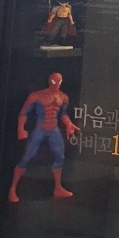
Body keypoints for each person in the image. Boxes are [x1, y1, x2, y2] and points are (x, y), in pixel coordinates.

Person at [9, 72, 80, 203]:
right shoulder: (36, 96)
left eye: (59, 82)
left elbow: (63, 114)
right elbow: (23, 113)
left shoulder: (63, 97)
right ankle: (13, 189)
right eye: (54, 82)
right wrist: (21, 129)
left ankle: (58, 188)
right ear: (49, 80)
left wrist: (69, 123)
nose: (56, 85)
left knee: (60, 157)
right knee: (27, 157)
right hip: (40, 128)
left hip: (54, 129)